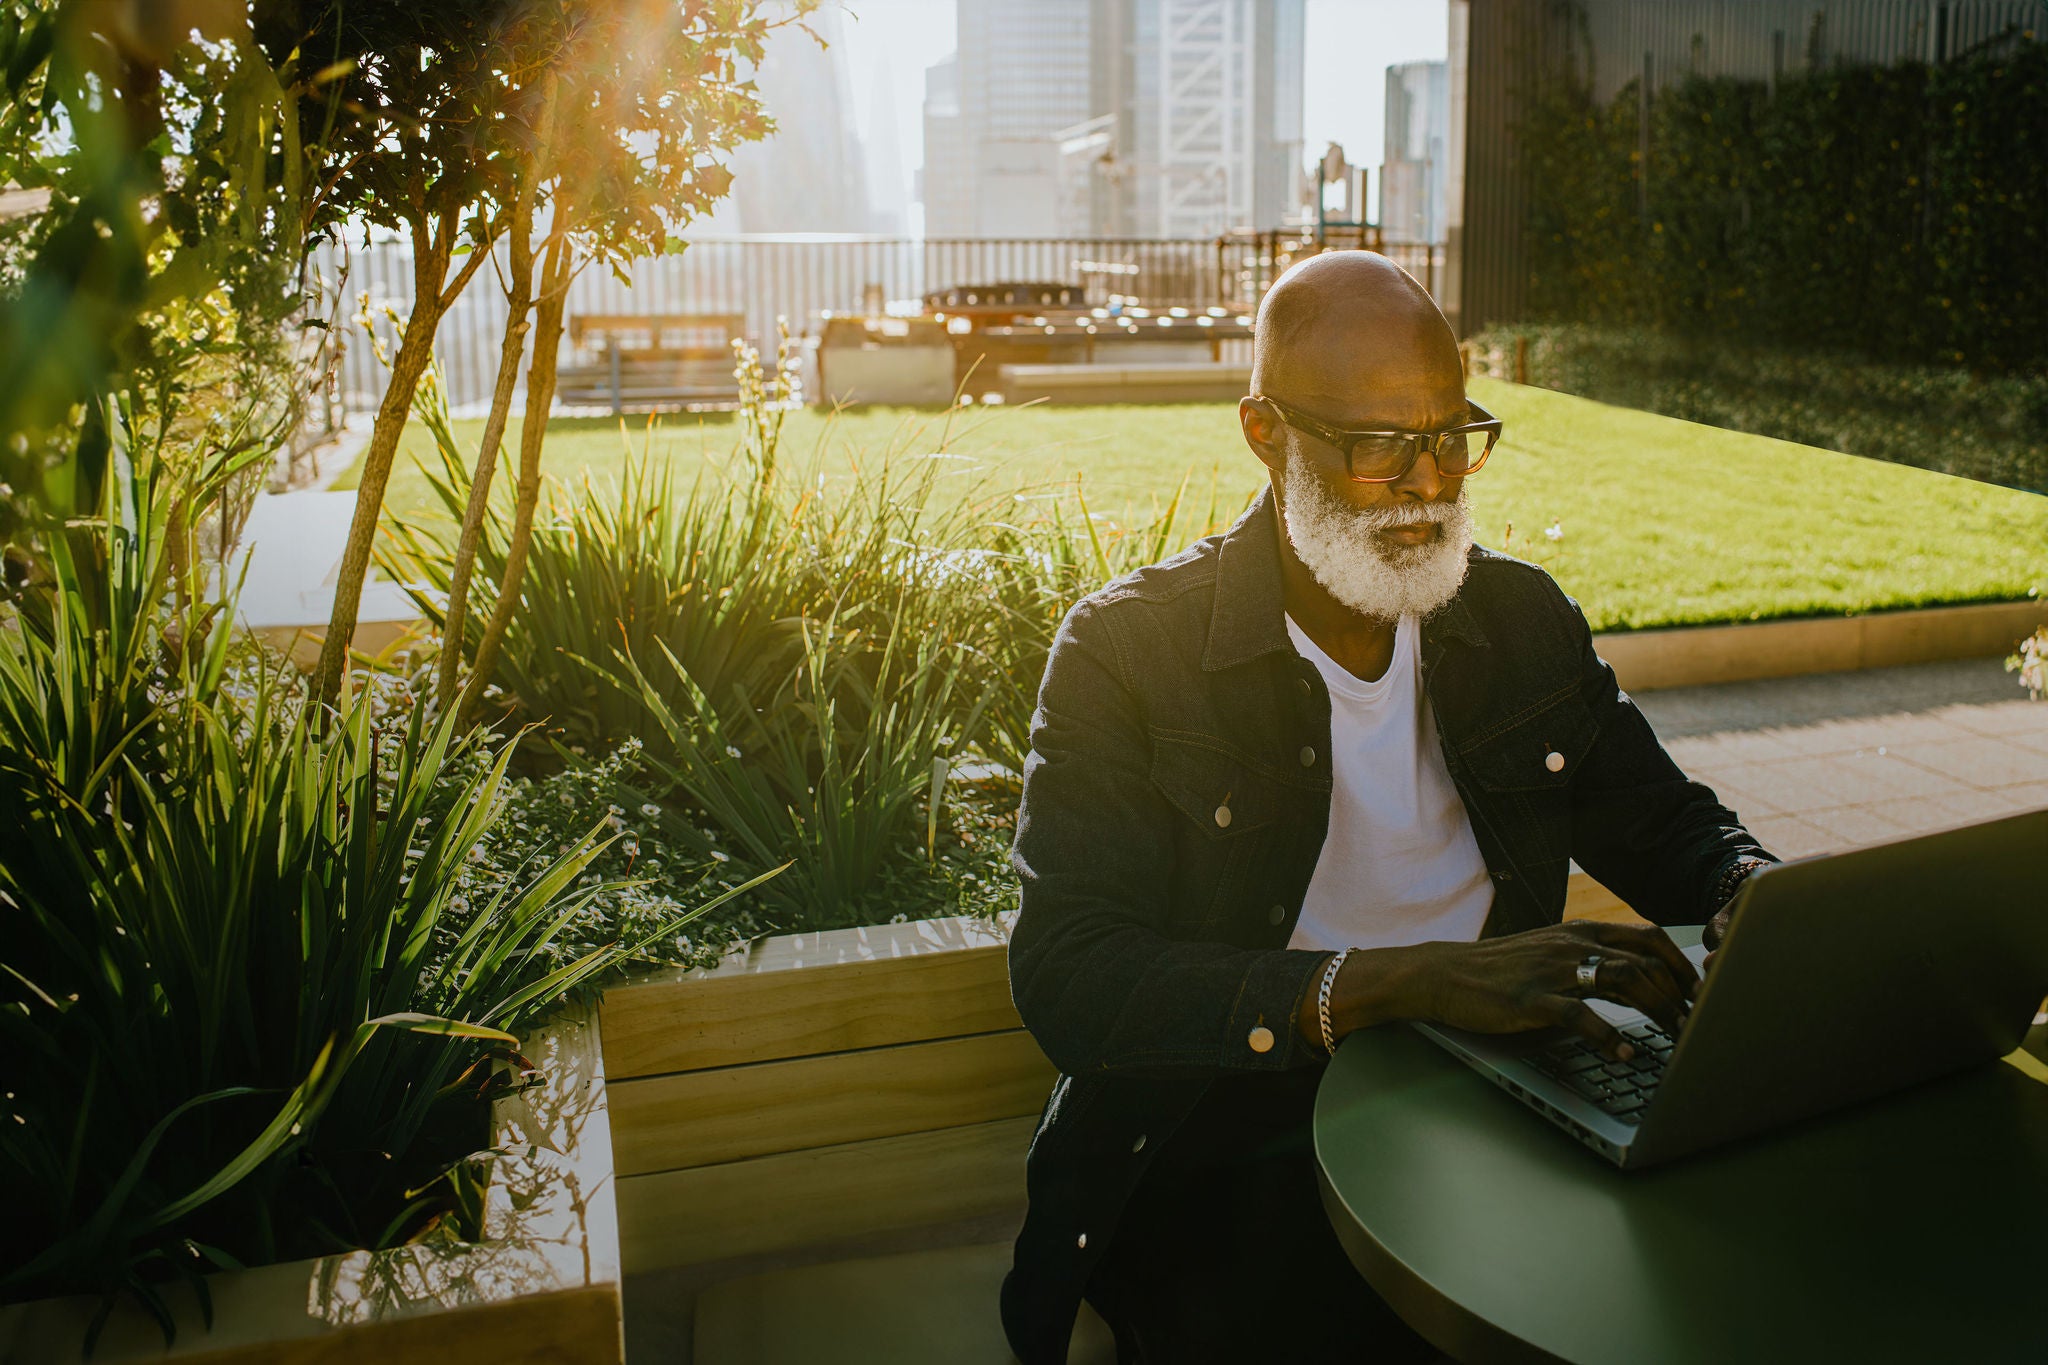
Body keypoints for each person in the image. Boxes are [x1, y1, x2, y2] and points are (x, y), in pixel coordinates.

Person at [999, 251, 1776, 1364]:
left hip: (1502, 1086)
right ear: (1264, 433)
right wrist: (1402, 981)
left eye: (1449, 436)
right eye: (1377, 447)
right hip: (1234, 1127)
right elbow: (1072, 977)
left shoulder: (1518, 620)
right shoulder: (1128, 653)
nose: (1427, 484)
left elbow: (1661, 822)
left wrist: (1748, 889)